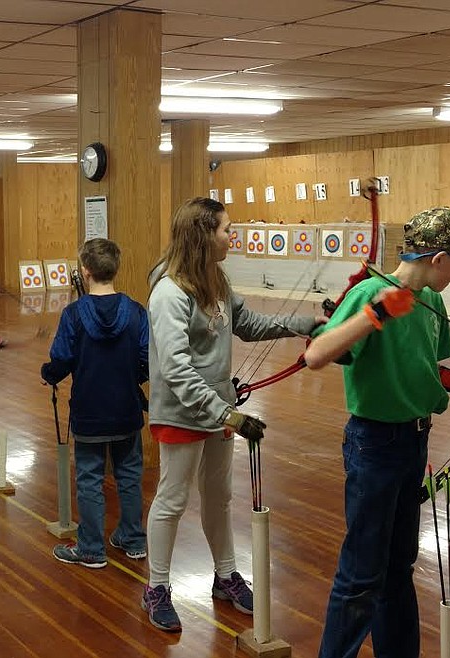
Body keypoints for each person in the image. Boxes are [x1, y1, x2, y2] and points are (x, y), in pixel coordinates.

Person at [304, 207, 450, 658]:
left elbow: (432, 372)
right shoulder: (371, 293)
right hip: (375, 446)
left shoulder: (433, 300)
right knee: (361, 575)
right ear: (439, 257)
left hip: (413, 443)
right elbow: (317, 355)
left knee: (397, 569)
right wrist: (376, 313)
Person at [142, 197, 323, 632]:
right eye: (226, 229)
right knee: (172, 499)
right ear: (204, 235)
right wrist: (228, 413)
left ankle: (226, 577)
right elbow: (175, 369)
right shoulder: (169, 292)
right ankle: (157, 587)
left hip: (219, 412)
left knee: (219, 497)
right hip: (184, 413)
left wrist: (308, 323)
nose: (232, 236)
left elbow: (249, 324)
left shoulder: (216, 280)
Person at [41, 238, 149, 569]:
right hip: (127, 409)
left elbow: (60, 359)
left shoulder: (74, 314)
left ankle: (91, 549)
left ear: (85, 272)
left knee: (89, 477)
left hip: (89, 411)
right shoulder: (135, 311)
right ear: (115, 268)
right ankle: (132, 539)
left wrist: (49, 373)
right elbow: (146, 361)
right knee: (129, 474)